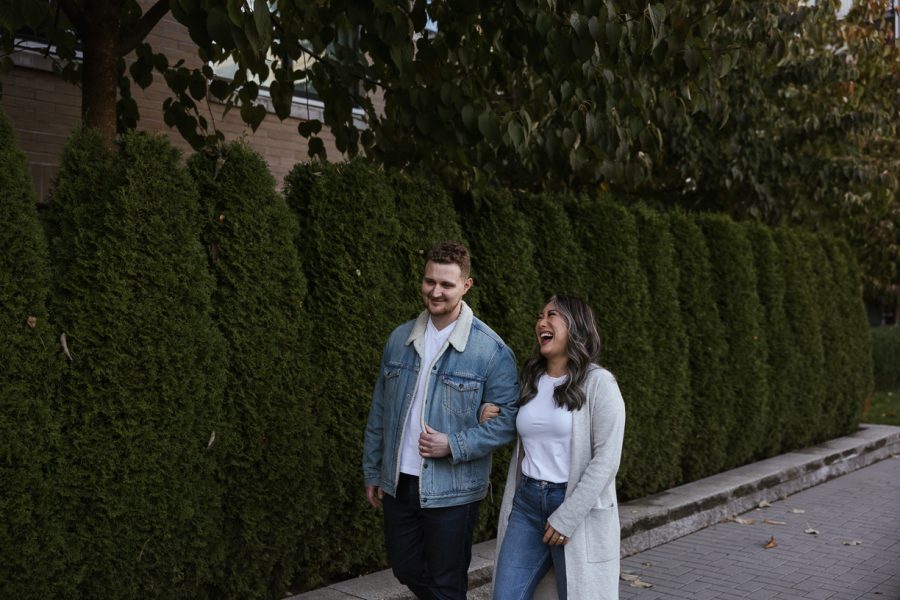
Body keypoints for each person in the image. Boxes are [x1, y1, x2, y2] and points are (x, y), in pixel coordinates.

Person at [362, 240, 520, 600]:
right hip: (400, 481)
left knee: (447, 580)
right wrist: (373, 469)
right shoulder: (399, 339)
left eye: (446, 284)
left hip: (454, 490)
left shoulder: (490, 351)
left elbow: (509, 420)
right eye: (430, 281)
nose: (436, 291)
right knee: (404, 567)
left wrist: (454, 443)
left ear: (466, 285)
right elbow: (380, 412)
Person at [491, 295, 626, 600]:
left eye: (552, 315)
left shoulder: (599, 383)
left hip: (572, 505)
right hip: (526, 505)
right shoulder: (532, 379)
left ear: (576, 326)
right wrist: (489, 413)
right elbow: (523, 426)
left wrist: (567, 517)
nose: (541, 322)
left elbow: (607, 459)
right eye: (539, 316)